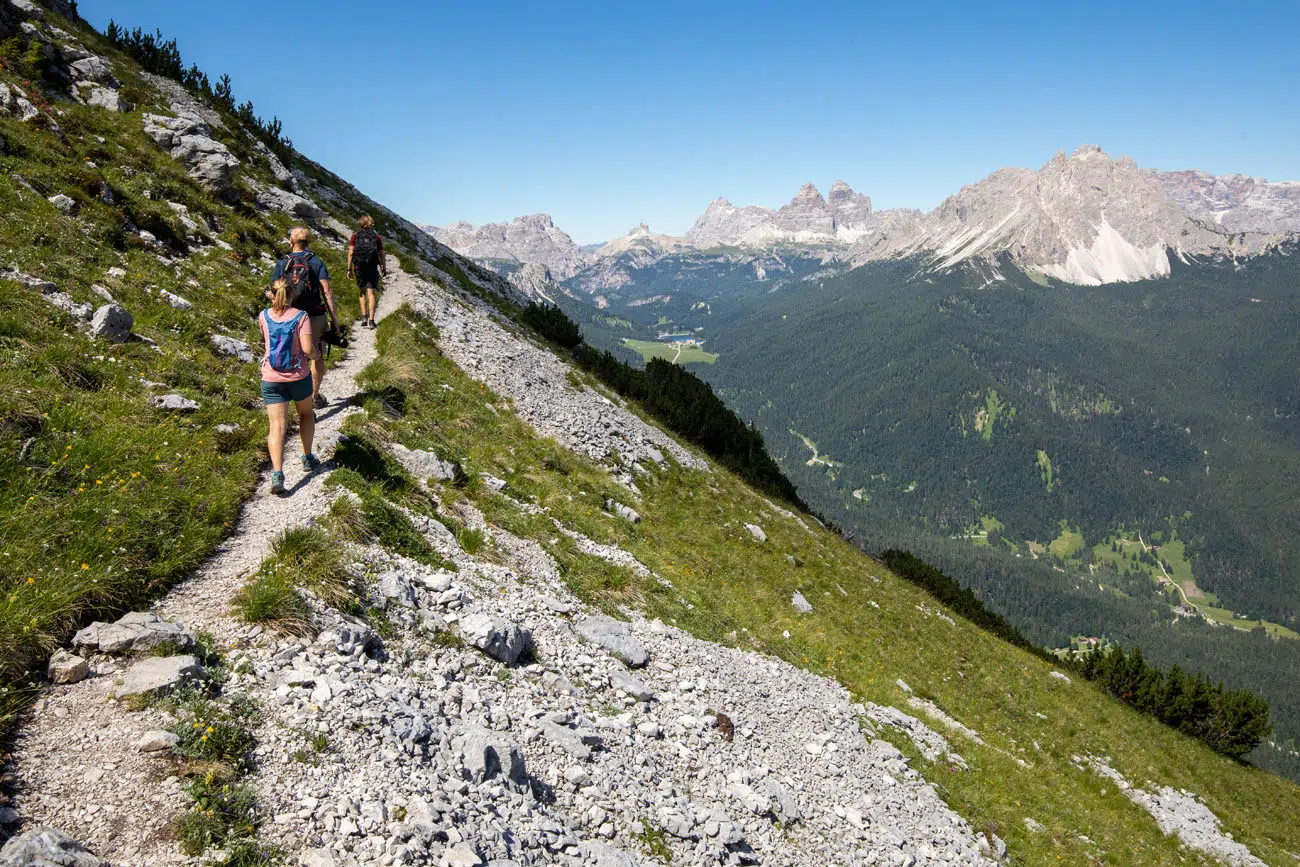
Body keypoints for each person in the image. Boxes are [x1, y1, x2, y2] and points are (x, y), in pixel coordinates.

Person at [258, 278, 319, 495]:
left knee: (277, 426)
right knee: (306, 414)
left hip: (272, 378)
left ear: (272, 295)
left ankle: (277, 473)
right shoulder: (301, 316)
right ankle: (307, 457)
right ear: (292, 295)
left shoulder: (263, 316)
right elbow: (307, 348)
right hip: (298, 376)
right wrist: (315, 355)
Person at [271, 227, 336, 408]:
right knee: (316, 355)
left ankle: (289, 396)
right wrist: (334, 321)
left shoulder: (282, 263)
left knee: (291, 355)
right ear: (309, 242)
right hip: (314, 315)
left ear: (292, 241)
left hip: (288, 316)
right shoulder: (316, 261)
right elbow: (327, 292)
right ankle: (314, 397)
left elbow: (273, 292)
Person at [347, 215, 387, 328]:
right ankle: (371, 321)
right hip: (372, 267)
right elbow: (381, 254)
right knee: (371, 293)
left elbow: (350, 253)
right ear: (371, 224)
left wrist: (349, 268)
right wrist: (384, 268)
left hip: (359, 268)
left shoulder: (355, 236)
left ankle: (364, 317)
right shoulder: (376, 237)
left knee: (362, 291)